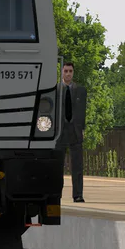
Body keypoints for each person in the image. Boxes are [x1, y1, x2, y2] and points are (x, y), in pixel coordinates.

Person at [57, 62, 86, 202]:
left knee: (77, 166)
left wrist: (82, 129)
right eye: (66, 71)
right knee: (57, 166)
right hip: (59, 131)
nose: (68, 74)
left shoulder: (80, 90)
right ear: (62, 72)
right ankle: (56, 194)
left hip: (75, 131)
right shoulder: (56, 90)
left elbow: (82, 112)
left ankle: (78, 195)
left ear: (73, 73)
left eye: (70, 71)